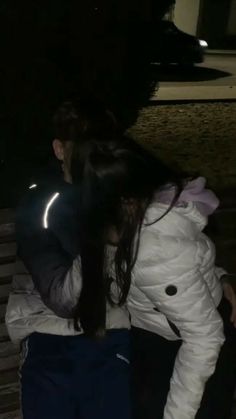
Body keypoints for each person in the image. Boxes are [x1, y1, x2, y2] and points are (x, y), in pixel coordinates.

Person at [6, 103, 236, 419]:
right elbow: (67, 295)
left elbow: (169, 265)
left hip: (168, 341)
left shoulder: (134, 224)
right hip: (124, 332)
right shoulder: (112, 210)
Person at [6, 101, 131, 419]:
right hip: (51, 337)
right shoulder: (41, 205)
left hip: (114, 335)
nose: (94, 158)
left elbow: (168, 254)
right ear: (60, 149)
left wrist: (218, 278)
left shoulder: (123, 196)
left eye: (103, 148)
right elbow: (64, 300)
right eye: (85, 148)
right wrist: (108, 242)